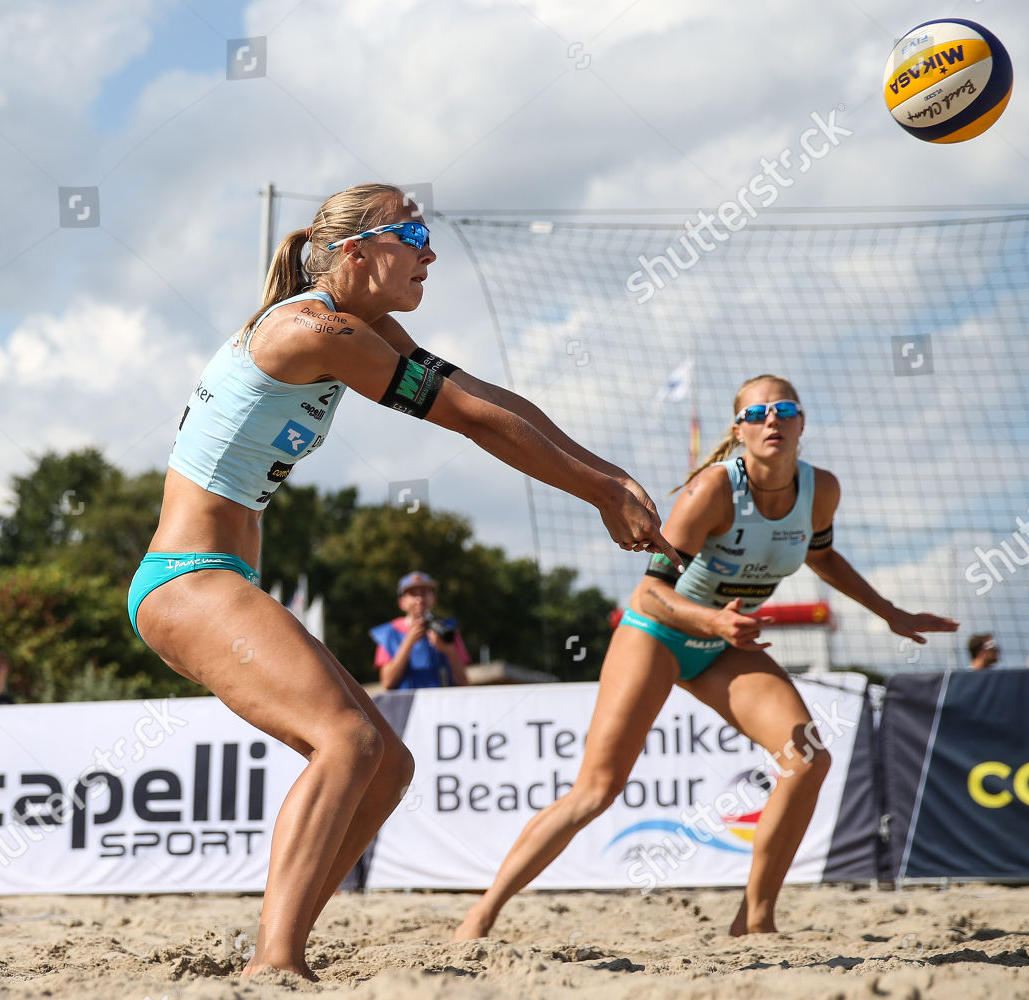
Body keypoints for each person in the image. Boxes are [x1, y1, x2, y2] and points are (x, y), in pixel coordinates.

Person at [127, 183, 673, 979]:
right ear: (355, 253)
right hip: (185, 581)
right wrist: (596, 490)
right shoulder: (316, 329)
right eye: (413, 234)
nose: (430, 251)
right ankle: (273, 965)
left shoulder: (355, 325)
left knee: (387, 763)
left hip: (217, 577)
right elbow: (467, 418)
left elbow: (483, 395)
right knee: (345, 741)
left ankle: (282, 951)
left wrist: (606, 473)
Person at [455, 374, 959, 942]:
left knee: (807, 759)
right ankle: (482, 913)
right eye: (758, 412)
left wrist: (889, 611)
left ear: (802, 422)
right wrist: (714, 620)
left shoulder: (822, 491)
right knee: (596, 791)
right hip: (657, 634)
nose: (773, 419)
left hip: (723, 645)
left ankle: (756, 918)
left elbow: (822, 556)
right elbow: (648, 595)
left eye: (785, 408)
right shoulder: (713, 490)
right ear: (738, 429)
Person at [372, 571, 471, 690]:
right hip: (407, 706)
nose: (419, 599)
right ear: (402, 603)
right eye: (413, 594)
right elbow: (387, 683)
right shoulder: (389, 634)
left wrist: (449, 650)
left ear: (433, 599)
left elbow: (464, 682)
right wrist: (408, 642)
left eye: (424, 593)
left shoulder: (448, 630)